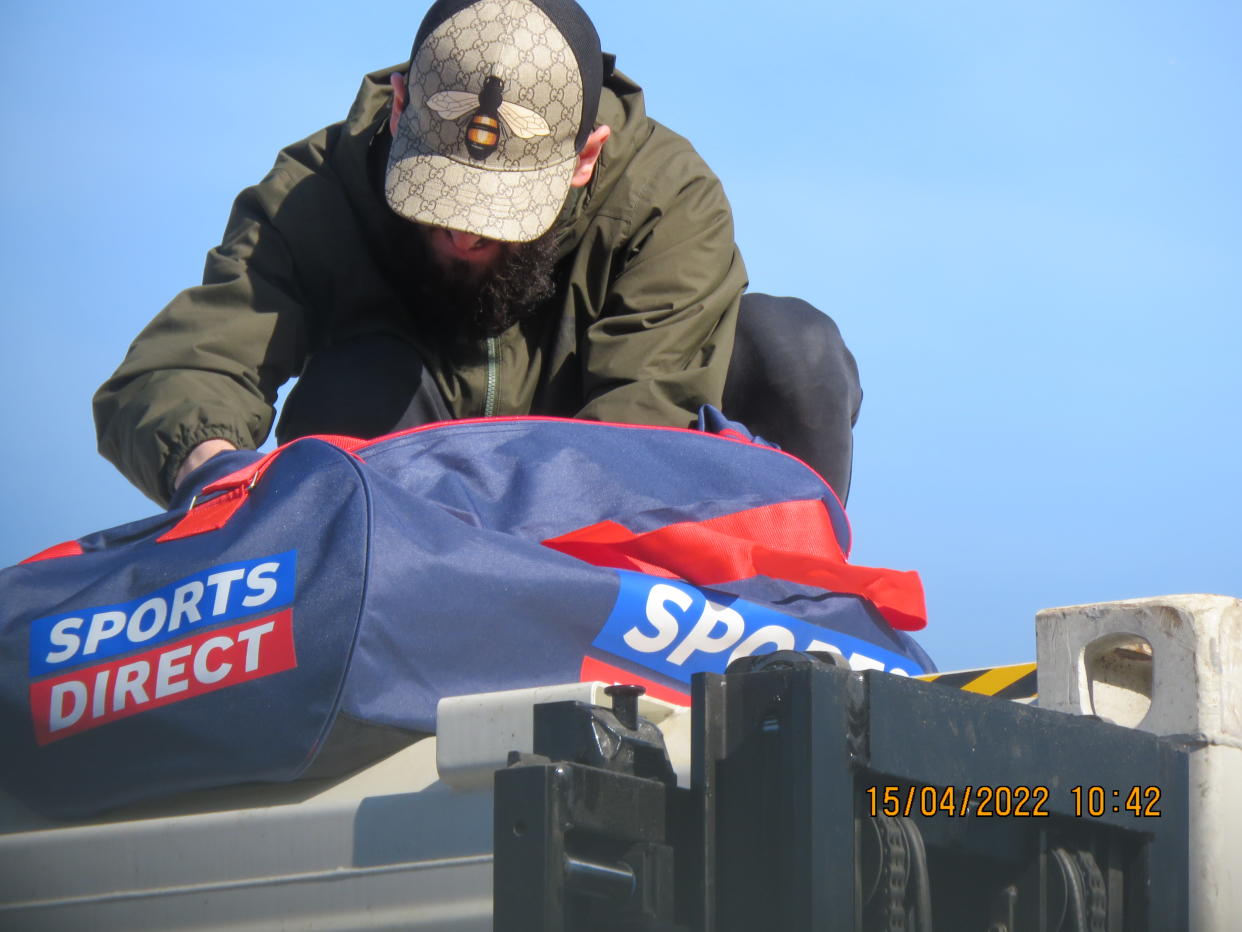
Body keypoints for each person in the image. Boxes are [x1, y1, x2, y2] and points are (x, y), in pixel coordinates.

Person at [94, 0, 862, 509]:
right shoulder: (317, 191)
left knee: (795, 348)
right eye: (443, 200)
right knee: (361, 383)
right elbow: (178, 370)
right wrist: (212, 467)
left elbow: (637, 441)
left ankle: (793, 633)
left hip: (606, 514)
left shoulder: (669, 202)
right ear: (399, 112)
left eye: (500, 214)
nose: (465, 236)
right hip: (396, 514)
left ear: (586, 157)